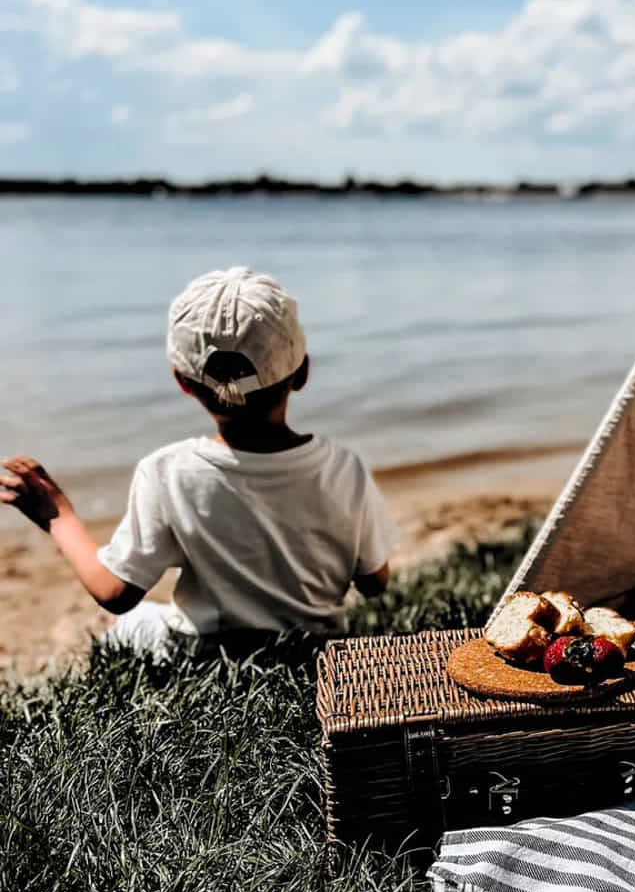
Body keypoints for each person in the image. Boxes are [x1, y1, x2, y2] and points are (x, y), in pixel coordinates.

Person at [1, 266, 395, 657]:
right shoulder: (345, 467)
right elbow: (374, 581)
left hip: (207, 654)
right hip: (316, 649)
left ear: (183, 382)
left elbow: (115, 592)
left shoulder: (167, 473)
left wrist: (59, 518)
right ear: (303, 371)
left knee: (125, 623)